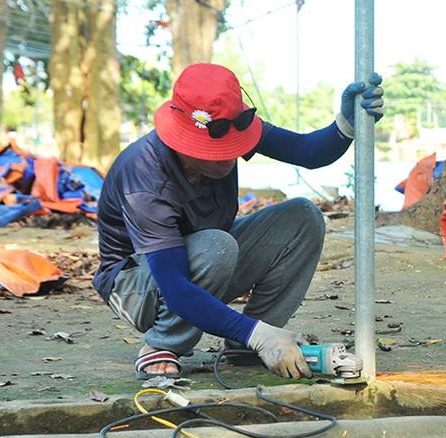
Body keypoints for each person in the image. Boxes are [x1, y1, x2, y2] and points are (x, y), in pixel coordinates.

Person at [92, 63, 384, 380]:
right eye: (213, 150)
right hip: (138, 286)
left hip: (207, 260)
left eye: (233, 148)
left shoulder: (232, 123)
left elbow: (307, 151)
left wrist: (346, 125)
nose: (227, 158)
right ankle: (164, 342)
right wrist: (257, 334)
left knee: (303, 217)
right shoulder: (145, 176)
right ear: (182, 140)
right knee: (217, 245)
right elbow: (174, 285)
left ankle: (247, 346)